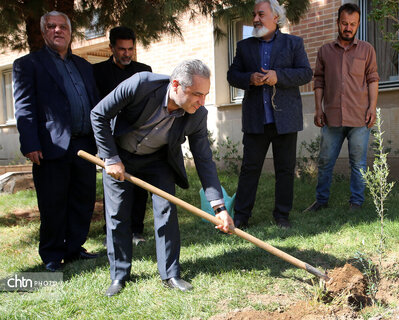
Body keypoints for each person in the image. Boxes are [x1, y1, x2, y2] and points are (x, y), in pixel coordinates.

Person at [91, 59, 234, 297]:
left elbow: (204, 160)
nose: (202, 102)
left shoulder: (198, 115)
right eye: (197, 94)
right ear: (176, 85)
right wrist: (111, 158)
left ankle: (170, 274)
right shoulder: (140, 85)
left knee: (166, 211)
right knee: (117, 215)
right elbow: (98, 115)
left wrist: (218, 207)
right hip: (120, 155)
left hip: (159, 161)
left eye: (205, 94)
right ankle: (119, 275)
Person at [13, 11, 99, 272]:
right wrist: (30, 143)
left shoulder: (83, 65)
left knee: (82, 200)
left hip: (84, 144)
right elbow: (24, 107)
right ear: (43, 32)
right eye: (51, 26)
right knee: (53, 203)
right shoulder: (28, 64)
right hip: (50, 146)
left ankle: (74, 248)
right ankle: (52, 254)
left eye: (63, 27)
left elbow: (94, 103)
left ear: (70, 32)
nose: (58, 31)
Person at [227, 0, 312, 229]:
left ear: (276, 17)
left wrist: (279, 76)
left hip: (285, 119)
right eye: (254, 14)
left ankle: (282, 216)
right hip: (256, 119)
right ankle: (241, 216)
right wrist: (249, 79)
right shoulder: (244, 46)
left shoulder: (293, 43)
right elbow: (232, 75)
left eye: (261, 14)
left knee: (285, 169)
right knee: (249, 168)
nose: (255, 19)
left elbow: (306, 73)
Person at [304, 3, 379, 213]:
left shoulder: (367, 50)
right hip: (332, 118)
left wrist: (372, 108)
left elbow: (373, 79)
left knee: (358, 164)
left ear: (358, 25)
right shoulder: (325, 51)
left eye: (352, 24)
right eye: (344, 23)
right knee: (325, 161)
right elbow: (318, 81)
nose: (348, 27)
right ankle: (321, 201)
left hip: (359, 118)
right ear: (338, 23)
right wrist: (318, 109)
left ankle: (356, 202)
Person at [94, 26, 153, 246]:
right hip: (110, 138)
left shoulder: (143, 70)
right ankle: (112, 231)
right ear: (111, 48)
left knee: (138, 186)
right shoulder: (97, 72)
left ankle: (136, 230)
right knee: (114, 186)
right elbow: (97, 109)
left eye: (130, 49)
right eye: (121, 49)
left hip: (137, 138)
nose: (126, 53)